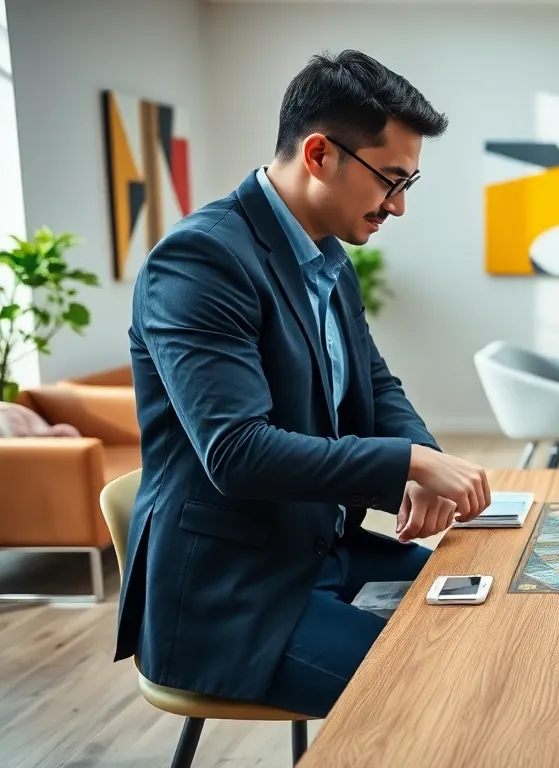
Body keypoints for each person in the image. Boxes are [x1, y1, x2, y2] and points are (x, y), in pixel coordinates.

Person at [113, 50, 491, 718]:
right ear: (319, 155)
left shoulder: (327, 257)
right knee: (445, 691)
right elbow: (238, 452)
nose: (399, 206)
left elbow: (374, 382)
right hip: (231, 595)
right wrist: (407, 462)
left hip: (322, 550)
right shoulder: (200, 261)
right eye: (390, 180)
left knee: (495, 628)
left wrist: (421, 460)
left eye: (409, 182)